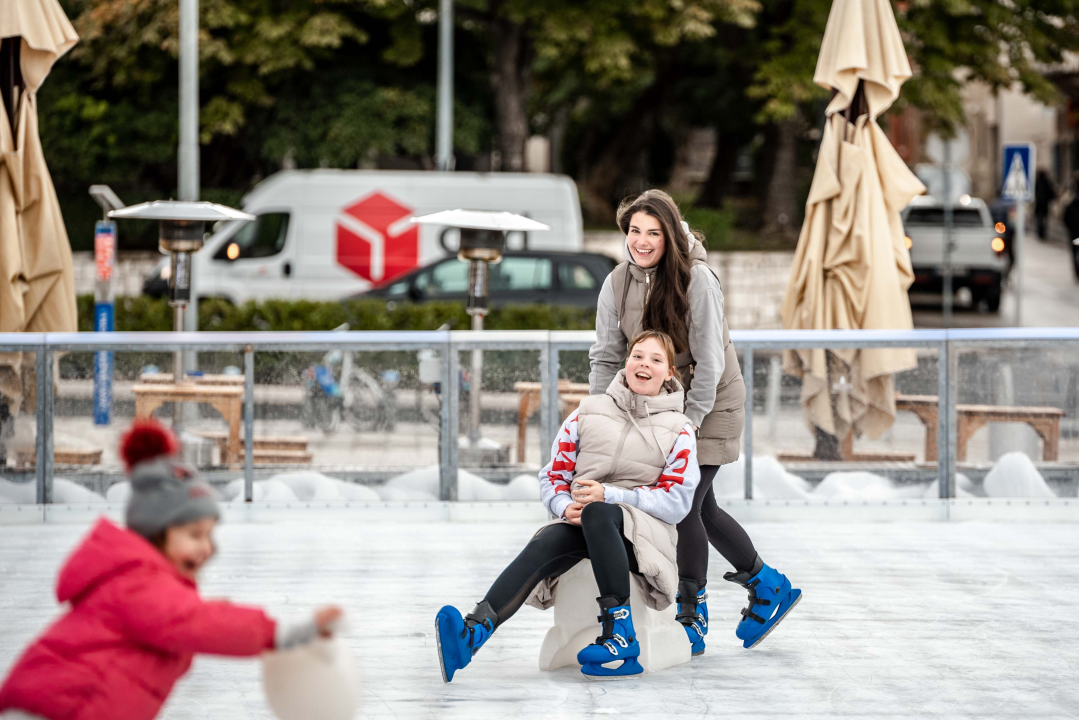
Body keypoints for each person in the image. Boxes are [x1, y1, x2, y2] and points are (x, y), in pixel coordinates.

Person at [0, 420, 342, 720]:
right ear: (156, 531)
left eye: (208, 535)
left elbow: (192, 615)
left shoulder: (140, 583)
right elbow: (201, 622)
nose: (206, 547)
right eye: (194, 535)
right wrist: (283, 632)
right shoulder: (136, 584)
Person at [589, 189, 800, 656]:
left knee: (683, 506)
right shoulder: (617, 283)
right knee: (700, 509)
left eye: (653, 232)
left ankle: (692, 612)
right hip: (664, 407)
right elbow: (606, 357)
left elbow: (710, 364)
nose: (641, 242)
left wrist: (686, 425)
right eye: (634, 232)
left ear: (671, 235)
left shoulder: (697, 279)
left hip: (712, 402)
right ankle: (768, 586)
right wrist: (600, 414)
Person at [435, 331, 700, 680]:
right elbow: (553, 474)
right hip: (588, 522)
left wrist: (611, 496)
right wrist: (562, 506)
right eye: (638, 356)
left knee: (598, 512)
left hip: (645, 534)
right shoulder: (589, 411)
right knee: (548, 539)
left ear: (669, 373)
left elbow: (677, 502)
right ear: (626, 362)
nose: (644, 364)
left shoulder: (679, 428)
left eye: (655, 359)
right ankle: (472, 632)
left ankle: (621, 637)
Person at [1035, 169, 1057, 241]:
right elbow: (1051, 193)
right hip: (1044, 206)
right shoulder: (1046, 182)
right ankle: (1042, 233)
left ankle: (1041, 233)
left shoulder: (1038, 182)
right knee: (1043, 220)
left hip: (1039, 205)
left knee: (1040, 220)